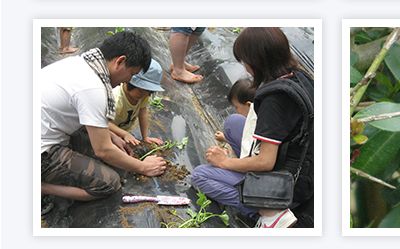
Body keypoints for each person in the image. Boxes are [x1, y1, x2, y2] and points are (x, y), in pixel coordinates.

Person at [191, 27, 314, 228]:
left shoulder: (275, 100)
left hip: (285, 187)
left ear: (257, 61)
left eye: (245, 61)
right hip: (303, 167)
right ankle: (250, 183)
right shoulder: (301, 77)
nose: (246, 67)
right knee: (233, 123)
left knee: (200, 176)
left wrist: (224, 162)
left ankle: (268, 214)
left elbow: (265, 162)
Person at [41, 31, 167, 205]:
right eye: (132, 73)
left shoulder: (81, 63)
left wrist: (113, 136)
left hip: (46, 133)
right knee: (110, 183)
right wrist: (143, 167)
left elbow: (85, 120)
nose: (129, 80)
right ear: (120, 61)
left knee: (115, 157)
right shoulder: (93, 88)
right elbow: (103, 150)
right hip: (41, 152)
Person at [109, 59, 165, 147]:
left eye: (148, 92)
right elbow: (105, 123)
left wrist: (145, 137)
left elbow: (143, 113)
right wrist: (124, 134)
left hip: (125, 132)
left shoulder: (143, 97)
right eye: (141, 91)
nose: (143, 95)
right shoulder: (116, 99)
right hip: (109, 132)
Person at [214, 78, 256, 158]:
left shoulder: (255, 123)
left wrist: (227, 139)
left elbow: (248, 143)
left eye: (236, 107)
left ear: (248, 105)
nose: (236, 110)